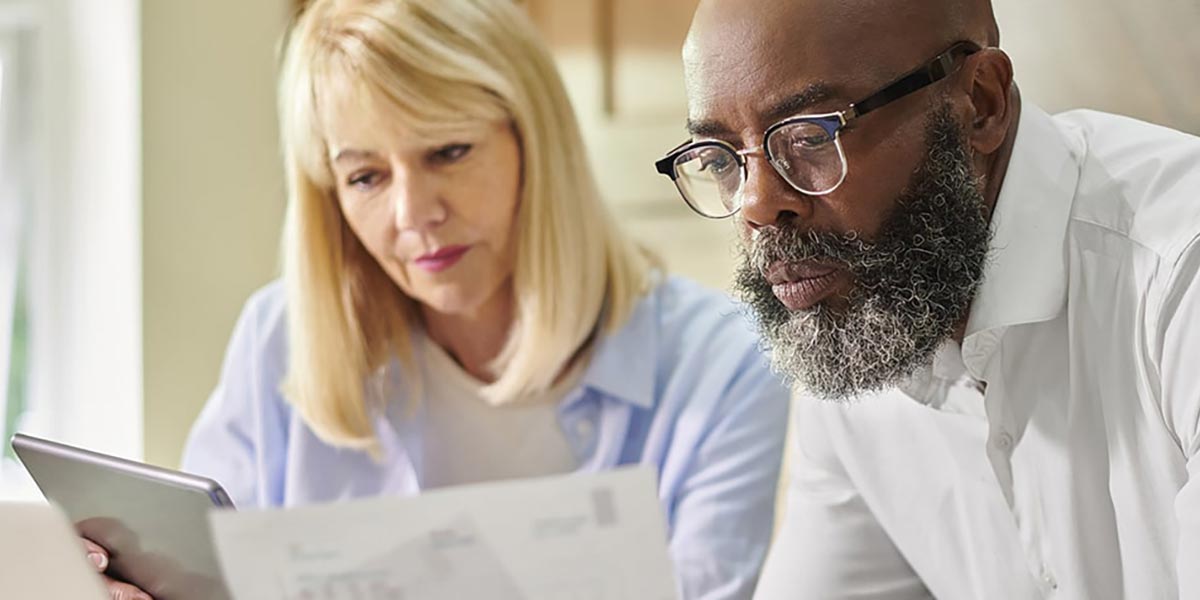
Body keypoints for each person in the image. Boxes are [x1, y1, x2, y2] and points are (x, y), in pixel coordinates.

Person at [85, 1, 790, 599]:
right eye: (365, 177)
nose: (413, 214)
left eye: (448, 151)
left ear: (533, 143)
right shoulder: (280, 340)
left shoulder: (721, 365)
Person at [656, 0, 1200, 597]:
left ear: (981, 103)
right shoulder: (857, 324)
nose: (758, 206)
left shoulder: (1177, 274)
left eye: (810, 136)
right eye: (718, 159)